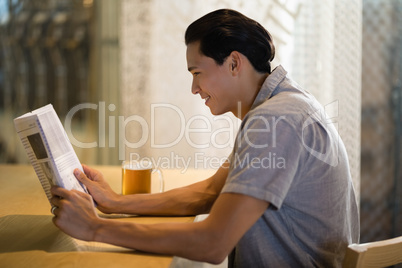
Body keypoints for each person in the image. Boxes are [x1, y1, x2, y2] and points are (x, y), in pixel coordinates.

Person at [50, 9, 359, 267]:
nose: (194, 89)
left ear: (234, 63)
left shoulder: (277, 120)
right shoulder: (279, 106)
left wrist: (94, 227)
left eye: (197, 72)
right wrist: (116, 203)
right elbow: (212, 191)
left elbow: (213, 243)